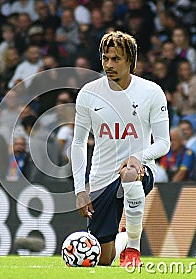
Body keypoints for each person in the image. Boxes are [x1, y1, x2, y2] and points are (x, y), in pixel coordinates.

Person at [71, 31, 170, 267]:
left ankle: (134, 247)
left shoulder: (151, 92)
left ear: (131, 62)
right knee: (103, 261)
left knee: (129, 173)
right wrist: (79, 190)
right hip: (101, 179)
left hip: (140, 170)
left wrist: (138, 157)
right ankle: (124, 238)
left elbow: (164, 143)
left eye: (116, 59)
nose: (109, 65)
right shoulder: (88, 93)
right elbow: (78, 143)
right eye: (105, 58)